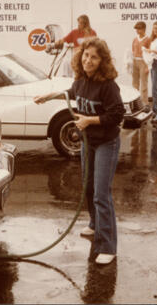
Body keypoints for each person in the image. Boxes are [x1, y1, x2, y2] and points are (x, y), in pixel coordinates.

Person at [34, 37, 125, 265]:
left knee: (101, 194)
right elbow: (71, 92)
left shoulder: (108, 86)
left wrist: (90, 120)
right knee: (88, 187)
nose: (88, 60)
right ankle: (95, 225)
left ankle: (108, 246)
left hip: (106, 142)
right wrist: (48, 96)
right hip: (88, 141)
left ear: (102, 61)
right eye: (85, 55)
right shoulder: (81, 80)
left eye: (94, 57)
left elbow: (117, 115)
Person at [132, 21, 150, 107]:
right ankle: (135, 101)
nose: (137, 31)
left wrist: (147, 66)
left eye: (139, 29)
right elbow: (133, 51)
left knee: (144, 83)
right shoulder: (135, 39)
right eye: (136, 29)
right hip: (135, 61)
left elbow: (150, 54)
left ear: (144, 29)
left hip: (143, 62)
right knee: (135, 83)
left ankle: (144, 103)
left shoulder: (148, 39)